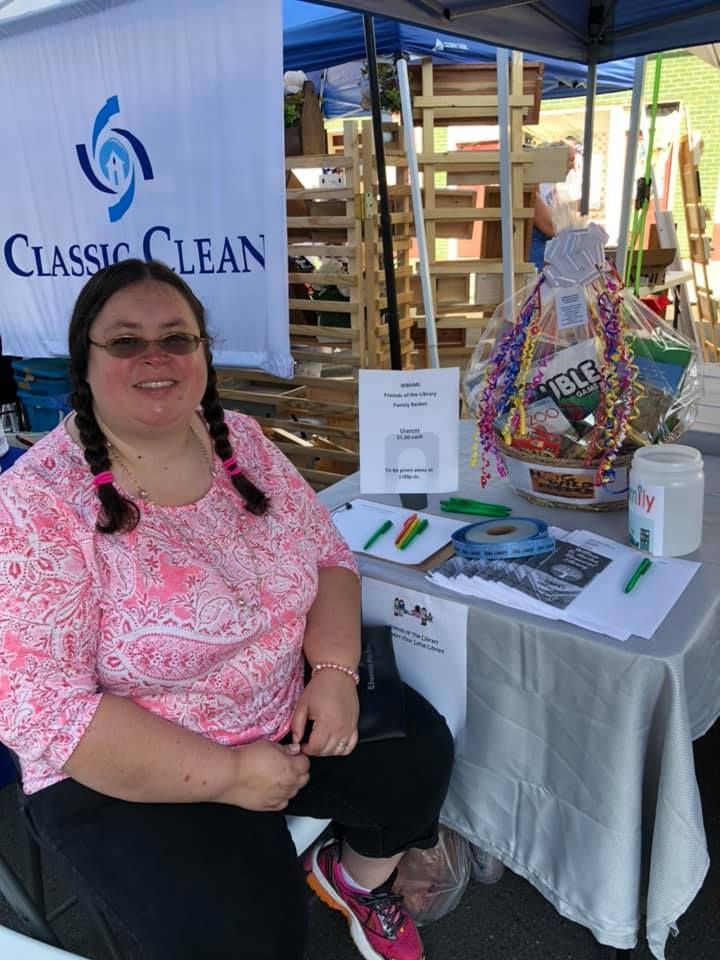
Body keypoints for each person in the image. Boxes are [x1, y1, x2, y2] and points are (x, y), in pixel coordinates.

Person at [0, 260, 454, 960]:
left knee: (421, 757)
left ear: (204, 354)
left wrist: (332, 674)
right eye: (125, 341)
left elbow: (331, 558)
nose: (157, 357)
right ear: (84, 365)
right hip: (128, 771)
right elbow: (44, 709)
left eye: (177, 338)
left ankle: (356, 881)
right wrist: (234, 776)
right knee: (250, 944)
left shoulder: (239, 440)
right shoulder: (39, 503)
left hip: (282, 712)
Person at [530, 139, 581, 270]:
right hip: (537, 257)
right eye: (569, 160)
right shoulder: (534, 185)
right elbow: (551, 226)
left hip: (548, 253)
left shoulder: (551, 185)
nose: (572, 165)